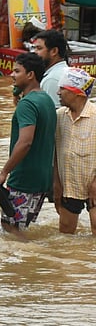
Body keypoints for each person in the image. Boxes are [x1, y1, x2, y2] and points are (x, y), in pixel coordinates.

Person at [0, 52, 56, 234]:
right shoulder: (46, 100)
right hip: (43, 177)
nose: (12, 75)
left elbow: (25, 142)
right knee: (23, 227)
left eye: (17, 71)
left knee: (11, 229)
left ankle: (35, 260)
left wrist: (4, 172)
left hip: (24, 178)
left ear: (30, 75)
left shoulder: (27, 105)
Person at [53, 67, 96, 235]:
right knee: (65, 233)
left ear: (77, 93)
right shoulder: (59, 116)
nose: (58, 92)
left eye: (63, 88)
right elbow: (56, 153)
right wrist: (56, 182)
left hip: (94, 184)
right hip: (69, 184)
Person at [30, 29, 69, 106]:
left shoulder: (52, 79)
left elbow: (53, 115)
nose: (34, 52)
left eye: (39, 48)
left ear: (54, 51)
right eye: (34, 48)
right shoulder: (65, 72)